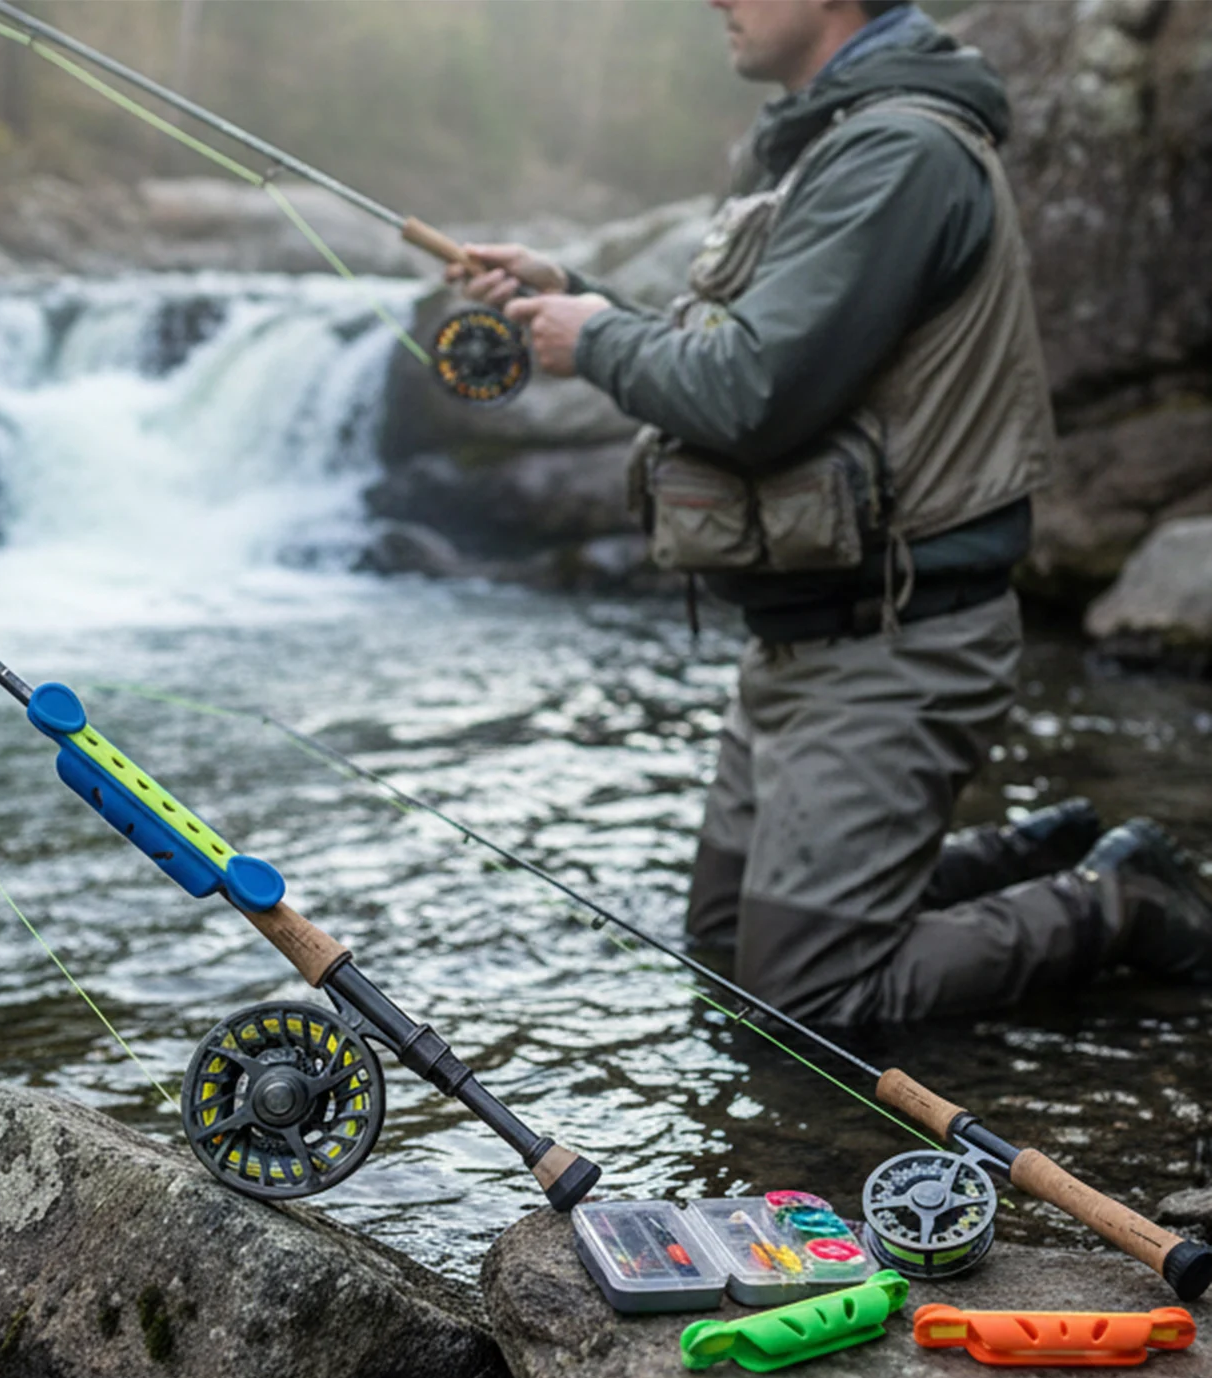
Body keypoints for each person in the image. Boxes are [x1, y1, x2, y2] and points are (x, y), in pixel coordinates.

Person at [448, 0, 1212, 1022]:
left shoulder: (896, 154)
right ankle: (1029, 853)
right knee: (723, 951)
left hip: (894, 642)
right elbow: (748, 344)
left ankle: (1117, 900)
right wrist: (574, 293)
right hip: (802, 636)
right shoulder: (825, 142)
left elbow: (749, 394)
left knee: (805, 995)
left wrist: (590, 339)